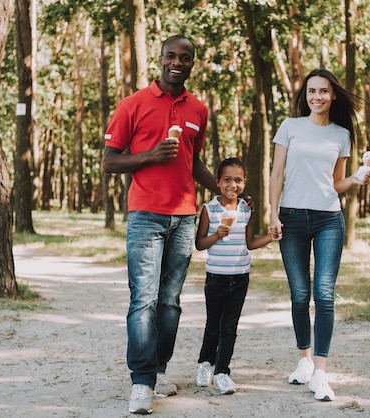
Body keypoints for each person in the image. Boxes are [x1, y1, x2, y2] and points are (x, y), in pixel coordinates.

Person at [102, 35, 219, 415]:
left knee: (170, 303)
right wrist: (150, 155)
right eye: (171, 55)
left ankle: (159, 372)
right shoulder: (132, 104)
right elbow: (109, 160)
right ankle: (141, 383)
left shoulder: (198, 110)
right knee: (144, 300)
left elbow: (193, 161)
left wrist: (224, 192)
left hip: (184, 217)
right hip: (145, 215)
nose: (177, 62)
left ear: (192, 63)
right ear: (161, 58)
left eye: (185, 57)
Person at [269, 68, 370, 402]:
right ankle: (304, 361)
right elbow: (277, 174)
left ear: (333, 95)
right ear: (305, 95)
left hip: (328, 219)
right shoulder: (290, 127)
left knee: (324, 294)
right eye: (312, 91)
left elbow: (335, 183)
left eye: (323, 91)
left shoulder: (341, 134)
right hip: (292, 218)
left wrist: (354, 179)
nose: (317, 97)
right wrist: (273, 214)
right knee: (300, 294)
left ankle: (321, 373)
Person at [194, 158, 275, 395]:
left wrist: (271, 238)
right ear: (218, 182)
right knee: (213, 326)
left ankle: (222, 372)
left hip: (240, 277)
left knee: (229, 327)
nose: (233, 184)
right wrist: (216, 235)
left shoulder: (245, 209)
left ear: (244, 183)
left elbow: (249, 243)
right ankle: (205, 364)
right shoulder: (210, 209)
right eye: (227, 179)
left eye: (238, 180)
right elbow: (199, 244)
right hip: (216, 277)